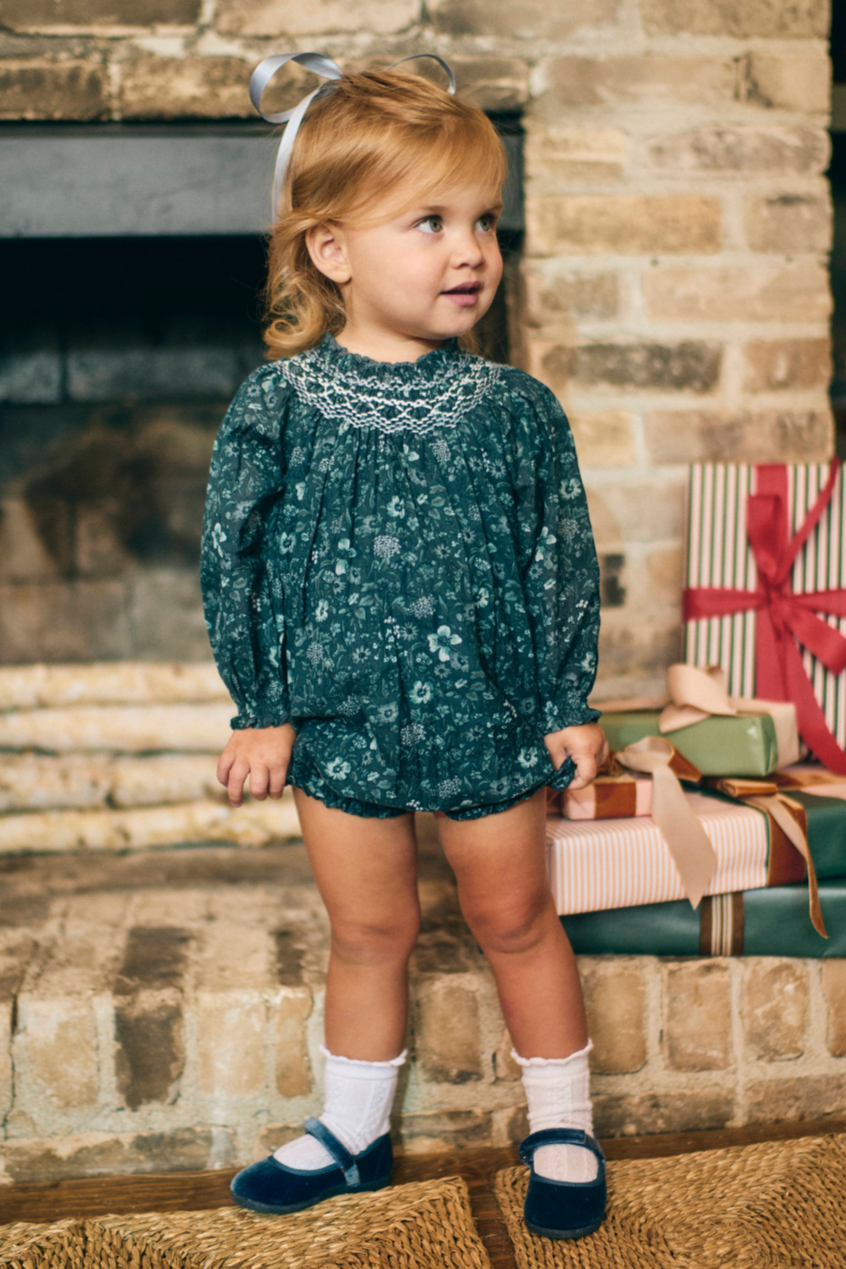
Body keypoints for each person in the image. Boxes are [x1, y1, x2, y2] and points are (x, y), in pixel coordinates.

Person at [200, 52, 608, 1242]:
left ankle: (565, 1121)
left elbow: (556, 560)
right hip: (335, 725)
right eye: (429, 221)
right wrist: (261, 706)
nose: (469, 248)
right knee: (368, 932)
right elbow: (238, 562)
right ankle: (353, 1128)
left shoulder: (515, 411)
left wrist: (563, 698)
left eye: (483, 218)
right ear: (331, 250)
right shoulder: (275, 407)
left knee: (517, 919)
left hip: (487, 716)